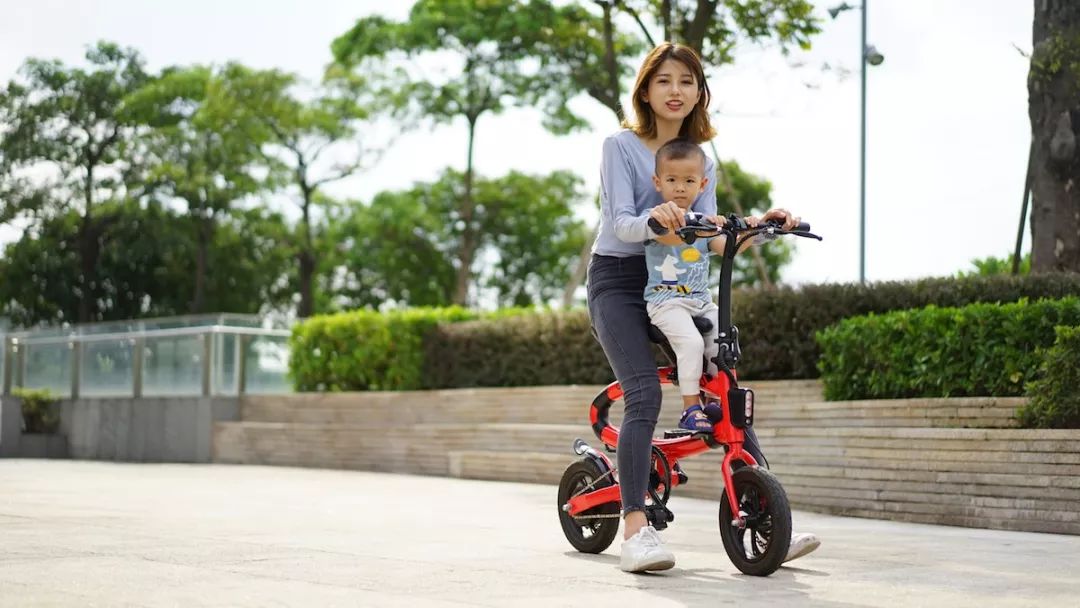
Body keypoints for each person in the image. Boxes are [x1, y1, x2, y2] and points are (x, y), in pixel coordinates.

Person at [586, 41, 820, 573]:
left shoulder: (701, 159)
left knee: (726, 383)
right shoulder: (619, 147)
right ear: (645, 89)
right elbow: (621, 222)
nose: (675, 91)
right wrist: (660, 217)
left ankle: (767, 513)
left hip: (674, 287)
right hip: (620, 281)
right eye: (664, 81)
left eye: (687, 82)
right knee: (643, 392)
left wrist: (762, 227)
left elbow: (715, 239)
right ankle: (635, 531)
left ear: (699, 93)